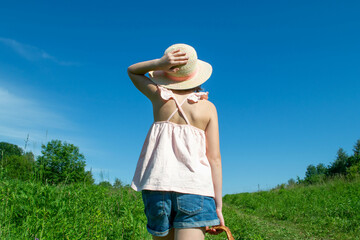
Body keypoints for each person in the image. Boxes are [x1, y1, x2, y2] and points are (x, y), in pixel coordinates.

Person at [128, 43, 224, 240]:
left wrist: (160, 63)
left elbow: (133, 71)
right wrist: (218, 206)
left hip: (157, 187)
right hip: (195, 189)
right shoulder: (208, 108)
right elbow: (214, 159)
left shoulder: (159, 97)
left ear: (166, 74)